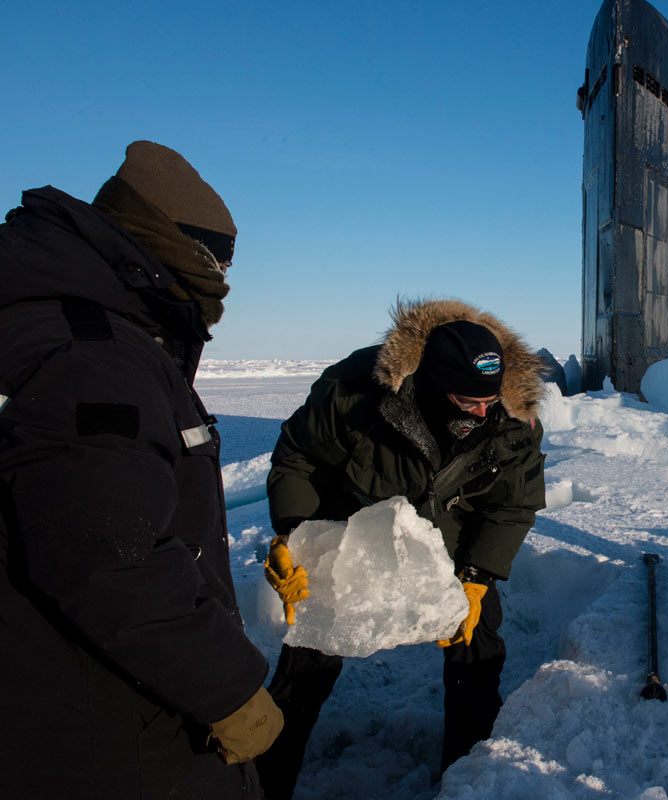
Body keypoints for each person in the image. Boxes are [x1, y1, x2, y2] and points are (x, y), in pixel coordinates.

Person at [0, 141, 282, 799]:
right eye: (218, 259)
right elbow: (109, 555)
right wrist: (227, 689)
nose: (225, 281)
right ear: (173, 247)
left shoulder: (70, 330)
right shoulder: (93, 357)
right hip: (100, 720)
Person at [256, 299, 546, 798]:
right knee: (312, 645)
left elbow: (510, 506)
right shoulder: (355, 392)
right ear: (433, 382)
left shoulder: (511, 415)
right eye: (468, 401)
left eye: (489, 401)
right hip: (357, 516)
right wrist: (292, 534)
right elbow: (299, 458)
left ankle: (468, 775)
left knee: (475, 642)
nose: (482, 412)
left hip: (450, 527)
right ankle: (263, 781)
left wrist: (477, 576)